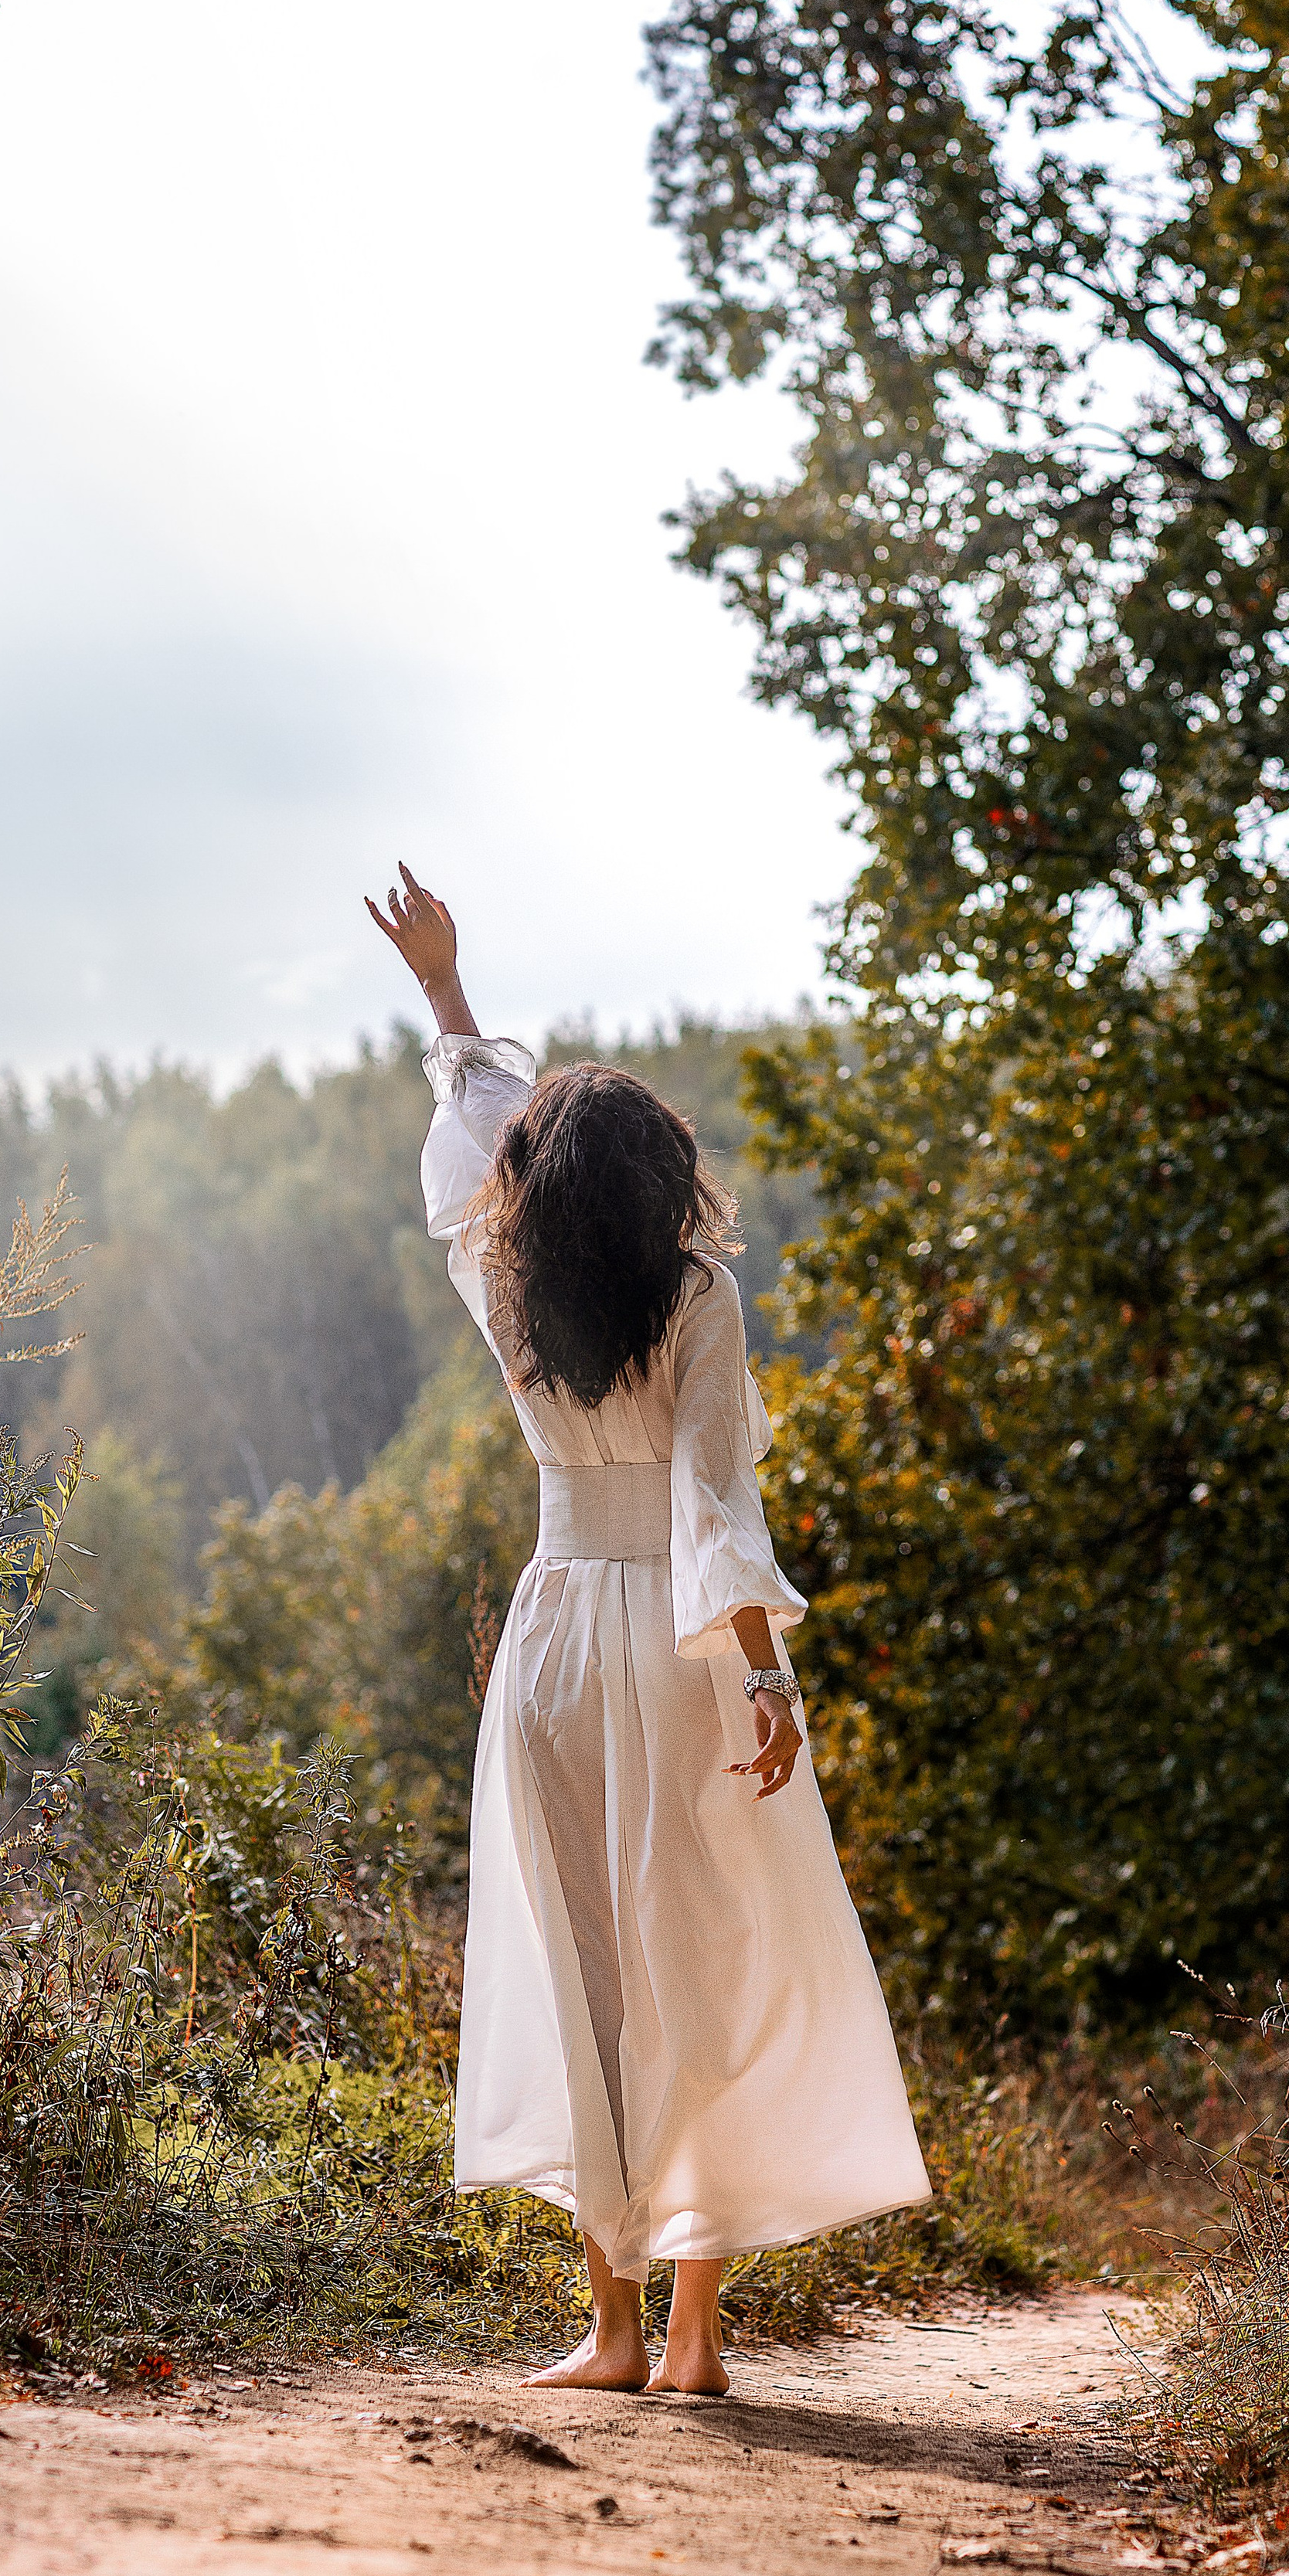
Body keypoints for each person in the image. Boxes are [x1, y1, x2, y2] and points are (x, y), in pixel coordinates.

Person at [368, 864, 931, 2395]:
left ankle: (613, 2330)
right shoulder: (698, 1299)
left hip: (554, 1638)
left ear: (536, 1187)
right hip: (677, 1644)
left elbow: (474, 1141)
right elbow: (714, 1508)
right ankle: (688, 2339)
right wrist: (765, 1674)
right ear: (659, 1181)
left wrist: (445, 990)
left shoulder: (502, 1285)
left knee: (587, 1969)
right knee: (695, 1957)